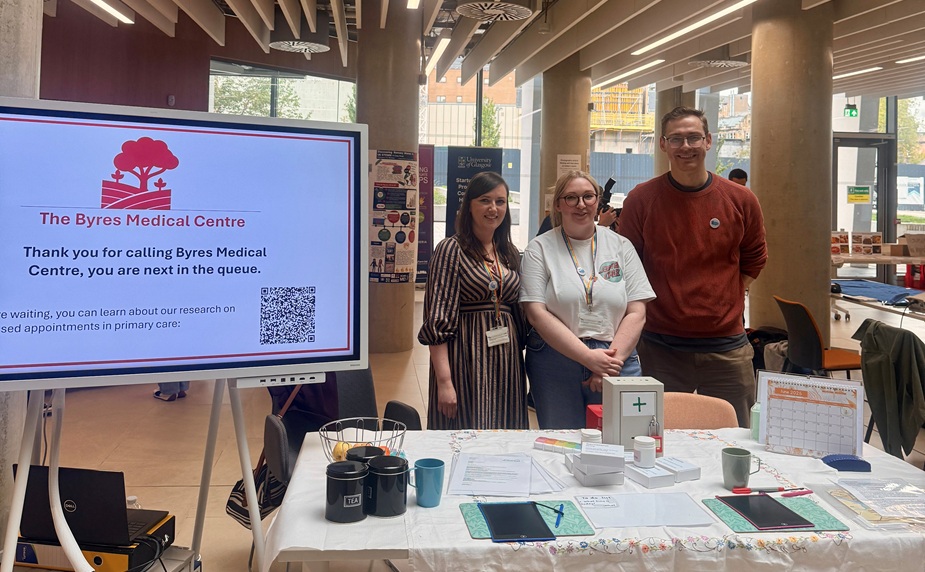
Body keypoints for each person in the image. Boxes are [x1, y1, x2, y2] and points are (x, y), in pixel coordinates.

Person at [619, 106, 768, 427]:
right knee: (651, 438)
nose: (685, 146)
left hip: (727, 349)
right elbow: (628, 266)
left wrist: (724, 296)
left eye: (693, 138)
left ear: (708, 141)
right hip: (659, 348)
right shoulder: (641, 200)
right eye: (676, 139)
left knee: (737, 439)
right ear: (663, 144)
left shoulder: (741, 200)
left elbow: (754, 257)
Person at [520, 171, 655, 429]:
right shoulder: (539, 248)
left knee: (625, 440)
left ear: (598, 201)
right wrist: (588, 357)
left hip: (617, 356)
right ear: (558, 204)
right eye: (570, 198)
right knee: (564, 444)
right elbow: (536, 313)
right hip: (556, 360)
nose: (580, 205)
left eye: (588, 196)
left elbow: (637, 311)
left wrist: (606, 364)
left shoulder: (621, 246)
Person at [418, 171, 527, 430]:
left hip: (506, 362)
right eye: (485, 200)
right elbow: (437, 320)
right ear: (469, 206)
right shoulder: (450, 249)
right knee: (464, 432)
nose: (493, 208)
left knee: (504, 434)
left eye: (500, 202)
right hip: (465, 358)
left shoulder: (509, 253)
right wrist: (445, 382)